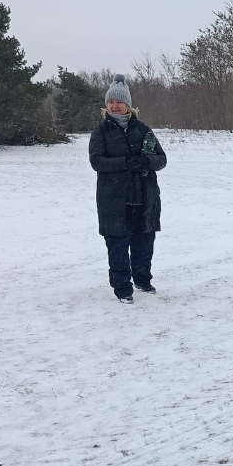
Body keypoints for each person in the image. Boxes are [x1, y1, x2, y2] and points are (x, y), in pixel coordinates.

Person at [88, 74, 167, 303]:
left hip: (143, 198)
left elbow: (161, 159)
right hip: (113, 199)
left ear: (128, 105)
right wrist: (125, 163)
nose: (114, 105)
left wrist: (146, 161)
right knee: (118, 244)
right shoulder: (101, 131)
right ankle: (122, 287)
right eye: (111, 101)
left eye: (119, 101)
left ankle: (142, 279)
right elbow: (96, 162)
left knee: (144, 243)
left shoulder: (142, 129)